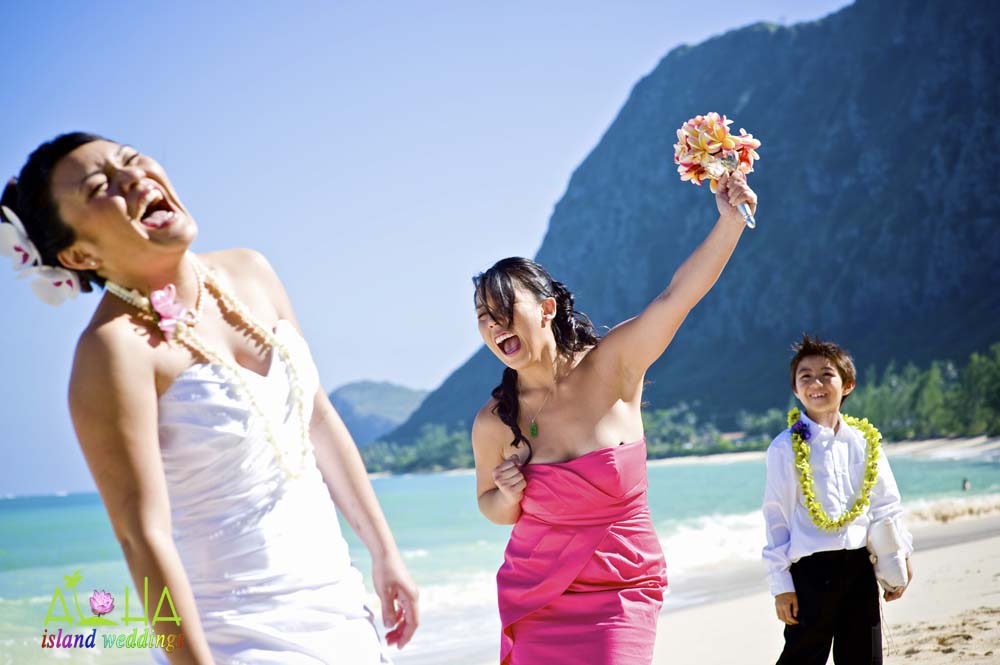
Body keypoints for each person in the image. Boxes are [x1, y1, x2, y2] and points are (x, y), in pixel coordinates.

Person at [0, 133, 418, 663]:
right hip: (237, 640)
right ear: (79, 252)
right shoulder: (112, 351)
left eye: (130, 159)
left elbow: (317, 420)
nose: (132, 177)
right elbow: (142, 538)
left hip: (343, 613)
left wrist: (386, 554)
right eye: (101, 185)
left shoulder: (252, 271)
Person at [471, 171, 757, 664]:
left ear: (546, 309)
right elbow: (490, 507)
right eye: (483, 316)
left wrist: (729, 223)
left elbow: (677, 296)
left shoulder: (614, 365)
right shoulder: (494, 421)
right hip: (538, 596)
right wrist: (508, 494)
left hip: (622, 591)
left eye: (503, 310)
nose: (494, 325)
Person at [762, 334, 914, 665]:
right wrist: (781, 585)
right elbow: (777, 519)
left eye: (826, 374)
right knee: (803, 657)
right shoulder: (784, 448)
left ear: (847, 385)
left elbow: (886, 505)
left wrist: (900, 554)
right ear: (795, 390)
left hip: (860, 567)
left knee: (865, 657)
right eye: (806, 376)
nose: (816, 383)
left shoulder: (864, 442)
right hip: (811, 573)